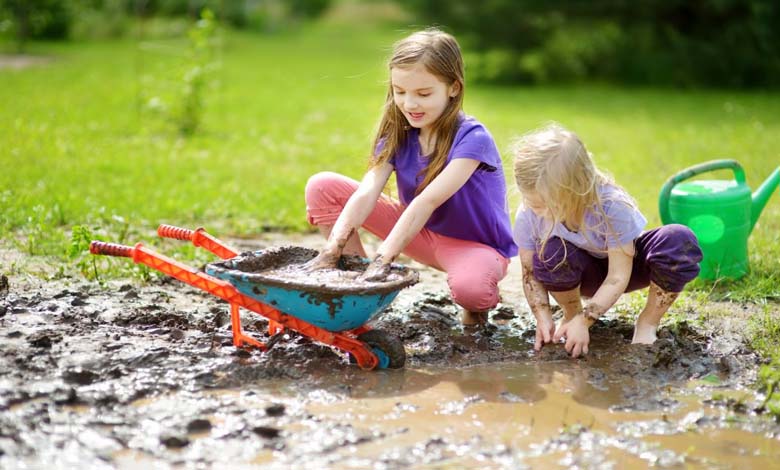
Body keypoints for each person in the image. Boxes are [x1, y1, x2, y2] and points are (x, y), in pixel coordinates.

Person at [304, 28, 517, 325]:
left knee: (471, 290)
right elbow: (367, 192)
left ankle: (476, 308)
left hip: (472, 247)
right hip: (416, 233)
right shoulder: (399, 133)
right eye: (400, 92)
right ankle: (359, 292)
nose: (409, 104)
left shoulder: (473, 138)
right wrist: (332, 249)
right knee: (322, 186)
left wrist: (384, 260)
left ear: (453, 88)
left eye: (423, 94)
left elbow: (427, 200)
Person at [512, 123, 702, 357]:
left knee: (678, 240)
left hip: (625, 267)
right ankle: (571, 314)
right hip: (581, 274)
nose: (536, 210)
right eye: (531, 203)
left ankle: (647, 323)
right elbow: (529, 272)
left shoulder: (611, 205)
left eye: (544, 205)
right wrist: (543, 317)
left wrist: (587, 321)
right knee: (549, 252)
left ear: (574, 191)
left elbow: (617, 276)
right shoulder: (529, 213)